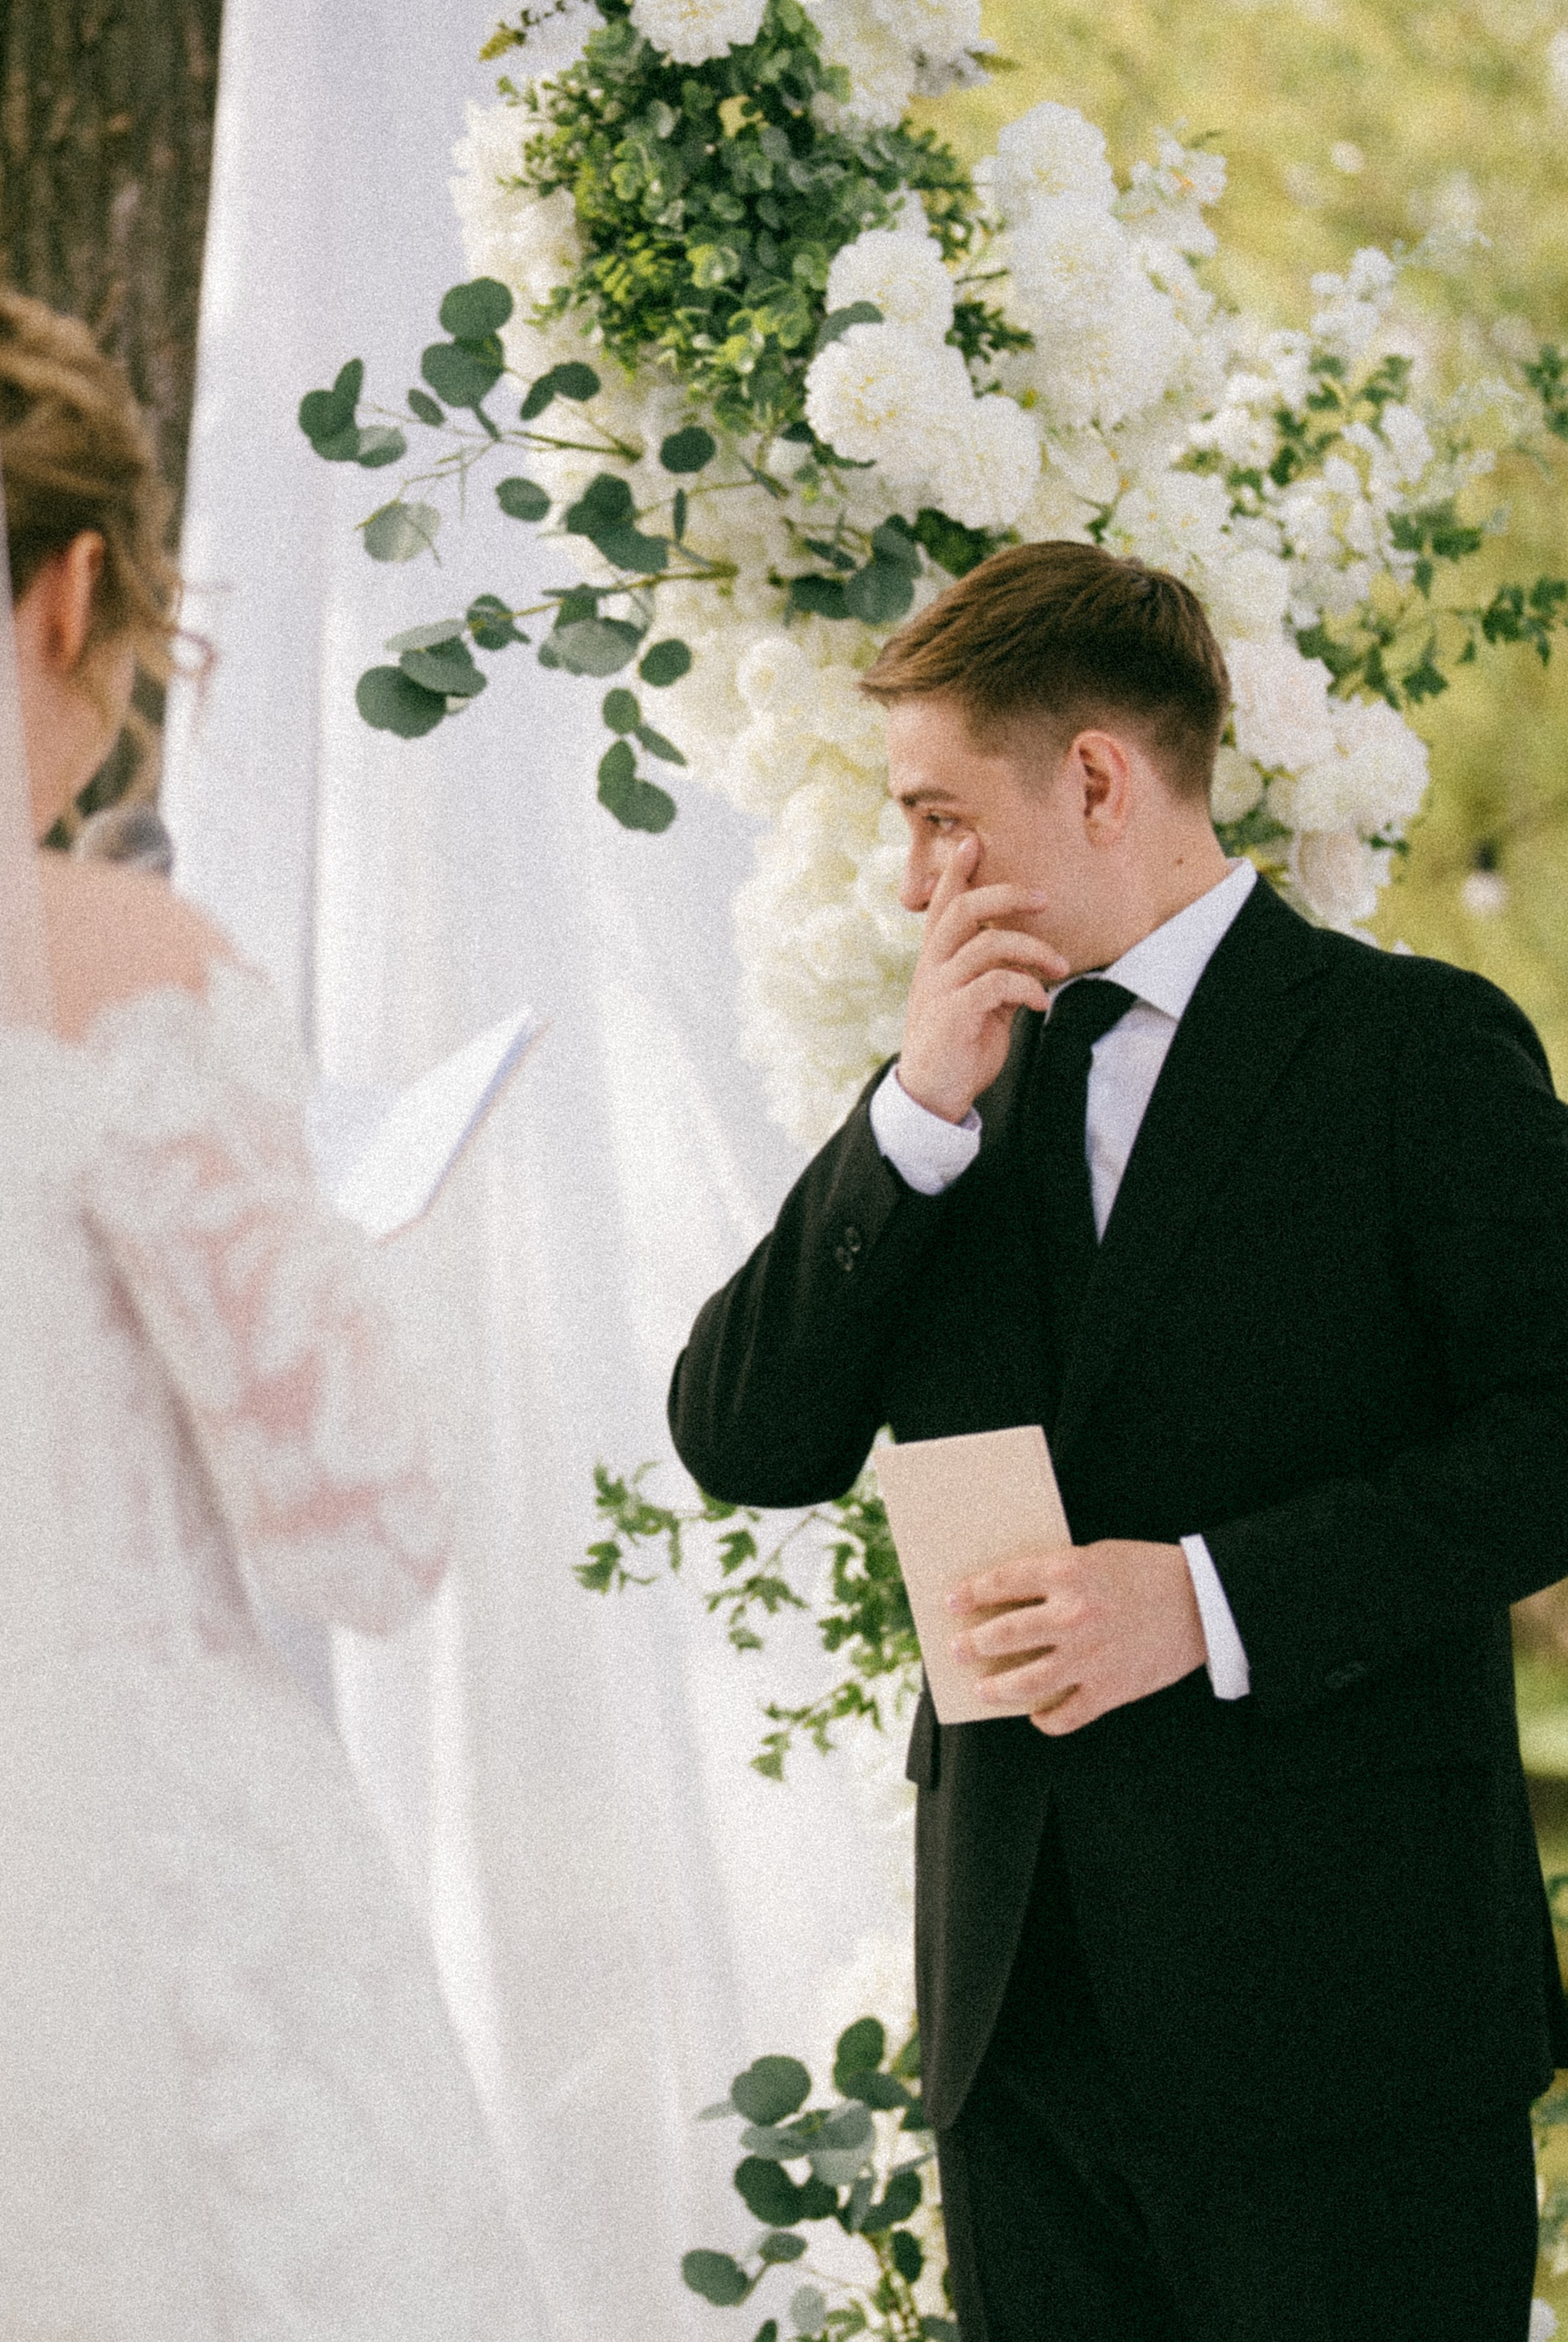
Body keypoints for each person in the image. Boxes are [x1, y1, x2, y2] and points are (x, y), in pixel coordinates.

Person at [669, 538, 1568, 2342]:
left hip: (1349, 2036)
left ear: (1093, 775)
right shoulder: (947, 1091)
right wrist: (911, 1115)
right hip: (1024, 2036)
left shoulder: (1412, 1053)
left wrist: (1208, 1601)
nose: (912, 876)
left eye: (938, 816)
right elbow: (742, 1433)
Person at [0, 299, 547, 2339]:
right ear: (72, 587)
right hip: (133, 1891)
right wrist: (378, 1271)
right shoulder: (115, 962)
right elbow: (363, 1530)